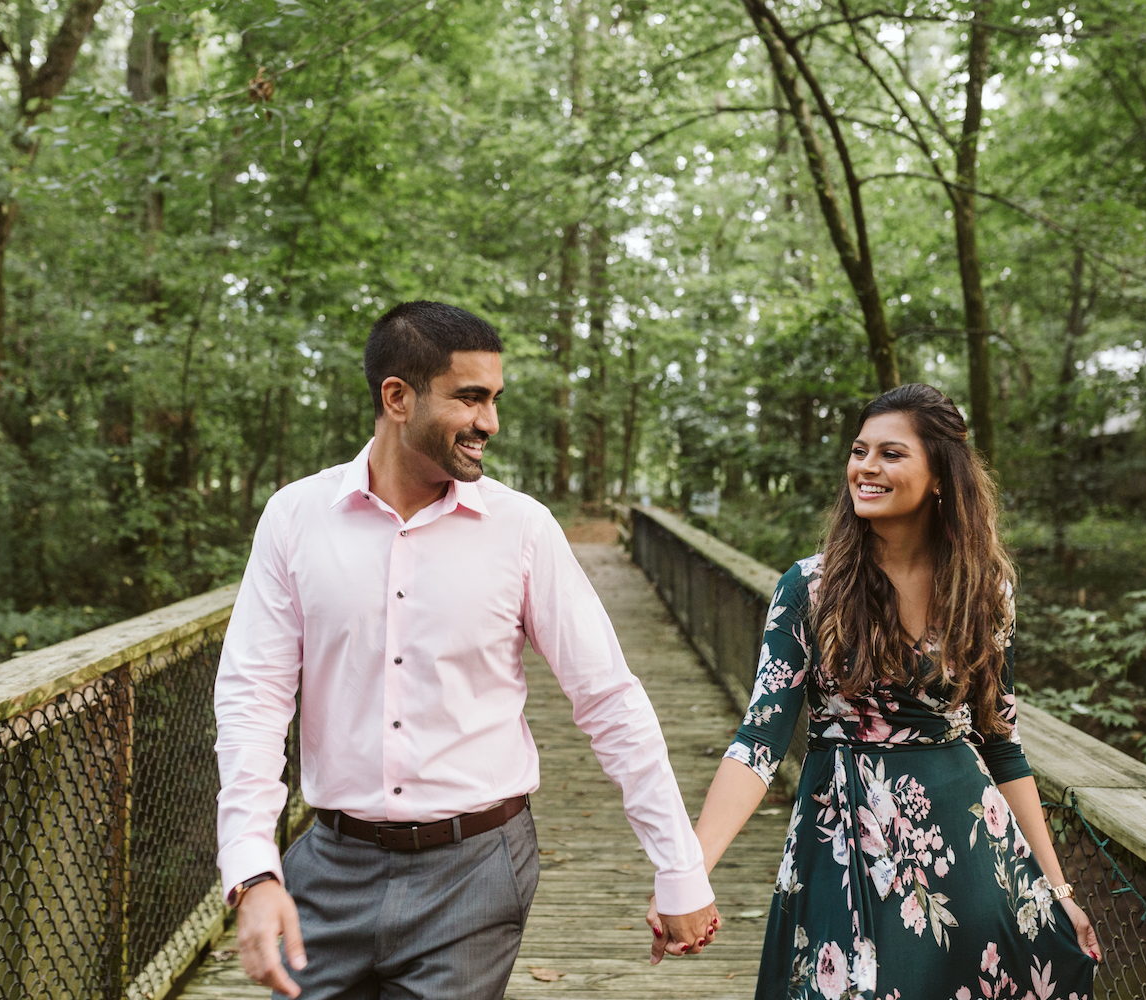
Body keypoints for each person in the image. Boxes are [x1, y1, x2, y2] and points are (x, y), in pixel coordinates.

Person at [214, 300, 720, 1000]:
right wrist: (253, 868)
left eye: (495, 399)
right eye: (471, 398)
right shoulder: (296, 518)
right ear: (398, 397)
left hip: (474, 873)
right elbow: (253, 695)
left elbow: (609, 699)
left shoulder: (522, 531)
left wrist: (680, 868)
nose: (491, 422)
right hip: (325, 868)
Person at [651, 383, 1100, 999]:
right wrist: (689, 874)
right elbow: (758, 743)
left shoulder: (984, 591)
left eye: (891, 454)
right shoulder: (810, 588)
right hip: (844, 843)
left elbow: (1002, 741)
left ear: (940, 474)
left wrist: (1057, 891)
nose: (865, 467)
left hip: (969, 850)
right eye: (860, 450)